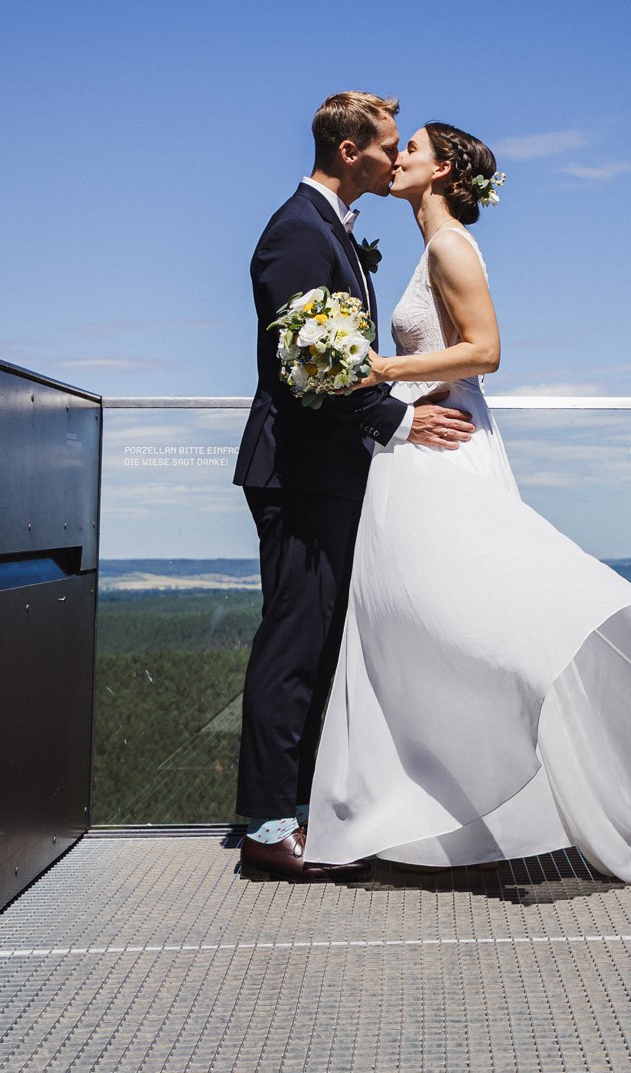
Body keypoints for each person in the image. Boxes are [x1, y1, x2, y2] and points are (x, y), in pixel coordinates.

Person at [302, 121, 631, 882]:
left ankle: (499, 796)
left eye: (412, 149)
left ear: (443, 171)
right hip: (415, 451)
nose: (397, 158)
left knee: (469, 624)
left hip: (445, 451)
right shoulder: (430, 247)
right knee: (408, 631)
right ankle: (420, 814)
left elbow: (486, 351)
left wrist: (379, 370)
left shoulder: (450, 246)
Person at [231, 92, 477, 881]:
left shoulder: (328, 229)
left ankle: (298, 809)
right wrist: (398, 419)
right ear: (349, 152)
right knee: (294, 642)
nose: (394, 157)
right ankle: (269, 827)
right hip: (300, 471)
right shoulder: (298, 232)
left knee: (319, 639)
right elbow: (305, 366)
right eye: (386, 145)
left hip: (329, 470)